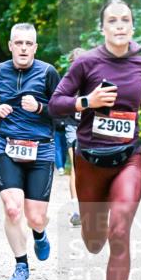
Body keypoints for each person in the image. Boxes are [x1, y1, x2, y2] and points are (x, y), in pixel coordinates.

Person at [49, 0, 141, 280]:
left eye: (125, 20)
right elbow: (55, 103)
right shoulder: (86, 63)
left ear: (132, 26)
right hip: (90, 161)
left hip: (129, 158)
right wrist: (87, 102)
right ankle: (88, 227)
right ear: (102, 28)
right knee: (94, 241)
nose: (119, 25)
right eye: (112, 20)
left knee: (119, 231)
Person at [0, 23, 61, 280]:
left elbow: (63, 110)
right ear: (11, 45)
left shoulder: (48, 73)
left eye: (28, 43)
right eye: (18, 43)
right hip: (7, 147)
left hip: (41, 150)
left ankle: (39, 233)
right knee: (12, 210)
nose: (23, 48)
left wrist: (39, 108)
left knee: (35, 217)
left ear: (35, 47)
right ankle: (21, 265)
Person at [59, 47, 87, 226]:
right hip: (73, 127)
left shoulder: (97, 80)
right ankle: (77, 210)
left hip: (92, 127)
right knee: (77, 166)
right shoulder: (67, 82)